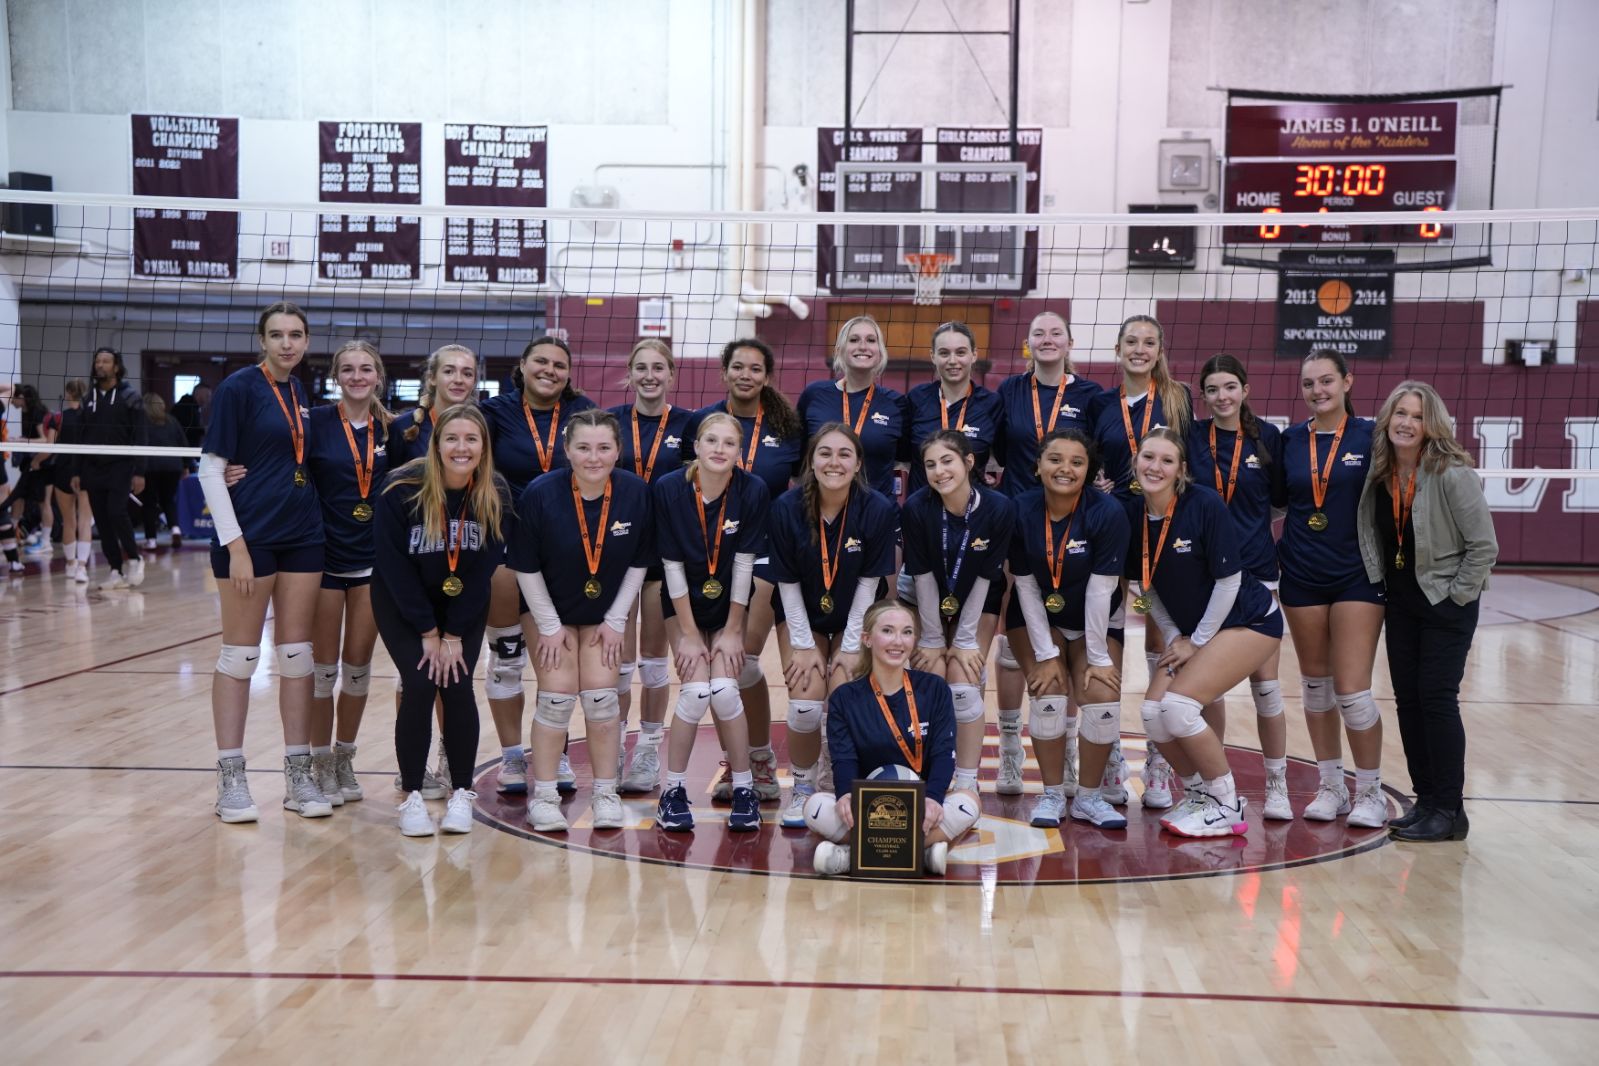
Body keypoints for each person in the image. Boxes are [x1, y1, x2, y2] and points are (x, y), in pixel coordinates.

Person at [197, 302, 329, 823]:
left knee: (298, 656)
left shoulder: (299, 390)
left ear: (306, 340)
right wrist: (236, 547)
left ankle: (298, 776)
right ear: (262, 340)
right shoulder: (238, 388)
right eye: (276, 335)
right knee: (240, 657)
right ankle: (231, 777)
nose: (287, 344)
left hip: (303, 535)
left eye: (296, 335)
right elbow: (210, 469)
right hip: (250, 540)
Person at [1359, 382, 1497, 842]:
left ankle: (1450, 810)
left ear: (1431, 423)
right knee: (1409, 701)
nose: (1406, 423)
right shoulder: (1380, 473)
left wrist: (1457, 596)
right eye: (1400, 413)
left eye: (1416, 416)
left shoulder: (1452, 473)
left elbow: (1484, 547)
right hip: (1400, 600)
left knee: (1437, 700)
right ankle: (1426, 802)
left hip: (1445, 603)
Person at [1127, 428, 1283, 837]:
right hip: (1192, 631)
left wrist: (1195, 642)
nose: (1154, 467)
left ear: (1180, 471)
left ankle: (1227, 802)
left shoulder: (1203, 504)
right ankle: (1199, 794)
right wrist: (1175, 633)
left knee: (1178, 708)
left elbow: (1229, 582)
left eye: (1166, 460)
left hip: (1249, 620)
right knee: (1152, 714)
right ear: (1135, 462)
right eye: (1148, 457)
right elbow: (1142, 589)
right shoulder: (1132, 512)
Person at [512, 410, 654, 832]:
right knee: (556, 697)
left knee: (602, 698)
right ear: (568, 451)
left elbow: (640, 562)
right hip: (547, 608)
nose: (594, 457)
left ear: (617, 451)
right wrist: (550, 626)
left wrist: (617, 620)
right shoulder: (540, 493)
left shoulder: (635, 492)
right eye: (584, 448)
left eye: (604, 448)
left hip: (603, 615)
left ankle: (606, 792)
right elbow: (525, 567)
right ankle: (544, 796)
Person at [374, 403, 509, 836]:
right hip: (402, 602)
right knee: (418, 683)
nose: (461, 447)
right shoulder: (400, 490)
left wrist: (452, 633)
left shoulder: (495, 494)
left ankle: (461, 794)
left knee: (456, 682)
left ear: (484, 447)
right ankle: (412, 795)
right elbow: (394, 568)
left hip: (463, 605)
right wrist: (428, 632)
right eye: (452, 438)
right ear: (436, 444)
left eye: (472, 439)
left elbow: (481, 571)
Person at [688, 338, 804, 804]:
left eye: (756, 368)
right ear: (724, 371)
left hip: (778, 558)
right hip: (723, 557)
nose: (746, 375)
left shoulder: (789, 427)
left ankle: (814, 771)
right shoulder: (706, 424)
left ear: (767, 376)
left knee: (803, 674)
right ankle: (752, 760)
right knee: (737, 666)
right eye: (738, 367)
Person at [992, 311, 1103, 796]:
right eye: (1038, 332)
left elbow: (1104, 455)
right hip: (1020, 523)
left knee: (1065, 640)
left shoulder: (1091, 396)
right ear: (1027, 343)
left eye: (1056, 332)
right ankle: (1012, 748)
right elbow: (993, 453)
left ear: (1070, 341)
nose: (1047, 339)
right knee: (1014, 641)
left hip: (1074, 525)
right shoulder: (1009, 393)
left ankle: (1073, 745)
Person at [1275, 350, 1388, 828]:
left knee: (1353, 692)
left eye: (1326, 381)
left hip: (1357, 574)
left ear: (1347, 381)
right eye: (1308, 384)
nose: (1317, 391)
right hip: (1300, 572)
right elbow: (1275, 503)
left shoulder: (1372, 435)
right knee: (1315, 689)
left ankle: (1371, 792)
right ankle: (1331, 786)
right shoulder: (1289, 441)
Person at [767, 423, 899, 827]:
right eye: (825, 453)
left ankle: (840, 781)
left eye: (845, 454)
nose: (834, 462)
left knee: (844, 691)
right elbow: (787, 585)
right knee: (806, 698)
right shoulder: (787, 507)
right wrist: (804, 645)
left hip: (854, 614)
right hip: (801, 611)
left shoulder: (876, 508)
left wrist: (851, 646)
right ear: (811, 460)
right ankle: (804, 786)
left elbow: (868, 585)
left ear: (858, 463)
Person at [480, 335, 596, 795]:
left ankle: (557, 752)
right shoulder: (495, 413)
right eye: (541, 362)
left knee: (556, 660)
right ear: (522, 365)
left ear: (569, 373)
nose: (550, 370)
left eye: (559, 365)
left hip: (564, 551)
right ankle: (512, 756)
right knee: (507, 659)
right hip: (506, 546)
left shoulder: (582, 411)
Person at [1089, 314, 1192, 808]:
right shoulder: (1100, 404)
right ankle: (1108, 757)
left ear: (1160, 348)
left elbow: (1190, 463)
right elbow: (1088, 462)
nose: (1139, 349)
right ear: (1117, 347)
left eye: (1149, 341)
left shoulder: (1178, 400)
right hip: (1113, 527)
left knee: (1159, 637)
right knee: (1109, 637)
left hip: (1161, 525)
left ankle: (1158, 764)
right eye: (1131, 340)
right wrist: (1096, 485)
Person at [1005, 429, 1131, 829]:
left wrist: (1097, 659)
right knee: (1048, 691)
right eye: (1055, 459)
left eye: (1077, 462)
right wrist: (1045, 655)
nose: (1065, 468)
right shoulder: (1020, 510)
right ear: (1038, 465)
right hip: (1037, 617)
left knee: (1101, 693)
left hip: (1095, 618)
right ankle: (1053, 793)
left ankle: (1089, 799)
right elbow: (1024, 586)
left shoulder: (1107, 511)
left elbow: (1102, 590)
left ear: (1089, 470)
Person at [653, 412, 770, 833]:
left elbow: (743, 565)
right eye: (711, 441)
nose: (720, 449)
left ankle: (743, 788)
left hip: (730, 605)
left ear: (740, 452)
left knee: (722, 690)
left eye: (729, 443)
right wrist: (686, 634)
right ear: (697, 447)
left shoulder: (753, 490)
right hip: (681, 603)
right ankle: (673, 791)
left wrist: (735, 629)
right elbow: (671, 566)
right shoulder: (669, 489)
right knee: (695, 690)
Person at [1187, 355, 1291, 820]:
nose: (1222, 396)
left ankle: (1277, 784)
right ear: (1204, 397)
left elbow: (1278, 505)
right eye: (1212, 389)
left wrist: (1243, 535)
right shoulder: (1192, 438)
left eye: (1230, 387)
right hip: (1207, 579)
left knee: (1266, 688)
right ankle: (1217, 785)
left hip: (1258, 574)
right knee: (1209, 690)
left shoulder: (1268, 438)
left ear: (1245, 390)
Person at [803, 600, 979, 877]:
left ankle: (853, 856)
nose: (898, 641)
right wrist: (847, 796)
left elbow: (943, 755)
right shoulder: (844, 698)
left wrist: (933, 798)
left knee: (969, 802)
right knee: (814, 808)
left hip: (919, 808)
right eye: (888, 630)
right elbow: (844, 760)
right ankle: (920, 854)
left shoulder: (934, 689)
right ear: (867, 639)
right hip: (867, 808)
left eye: (907, 632)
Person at [901, 431, 1015, 798]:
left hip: (977, 599)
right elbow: (920, 578)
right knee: (930, 678)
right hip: (924, 599)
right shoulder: (917, 507)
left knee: (964, 682)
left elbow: (986, 577)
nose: (939, 471)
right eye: (930, 465)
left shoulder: (998, 508)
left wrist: (964, 641)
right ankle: (928, 774)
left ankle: (966, 781)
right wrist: (933, 640)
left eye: (947, 461)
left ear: (969, 462)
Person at [306, 341, 392, 808]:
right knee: (323, 672)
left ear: (377, 375)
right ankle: (319, 761)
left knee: (357, 671)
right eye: (348, 369)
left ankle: (344, 757)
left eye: (365, 369)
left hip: (372, 562)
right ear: (336, 376)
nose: (357, 376)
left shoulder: (394, 429)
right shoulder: (315, 422)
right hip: (321, 558)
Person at [606, 339, 695, 791]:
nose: (649, 375)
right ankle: (617, 749)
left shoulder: (688, 425)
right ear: (630, 372)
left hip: (665, 552)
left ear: (672, 374)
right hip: (615, 550)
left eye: (658, 368)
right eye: (641, 367)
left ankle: (647, 752)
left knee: (654, 663)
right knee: (618, 661)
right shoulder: (612, 422)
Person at [797, 315, 907, 497]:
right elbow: (799, 465)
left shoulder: (896, 403)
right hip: (820, 511)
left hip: (877, 515)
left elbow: (903, 462)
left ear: (880, 352)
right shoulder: (814, 395)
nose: (863, 346)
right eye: (854, 340)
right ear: (839, 350)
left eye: (871, 340)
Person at [903, 321, 1005, 495]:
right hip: (922, 510)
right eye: (944, 353)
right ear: (933, 356)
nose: (952, 361)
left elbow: (1003, 457)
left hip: (972, 510)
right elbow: (903, 455)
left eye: (960, 352)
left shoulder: (991, 403)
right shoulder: (916, 398)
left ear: (973, 355)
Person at [80, 347, 146, 590]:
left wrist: (140, 471)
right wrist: (77, 471)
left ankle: (135, 558)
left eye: (105, 361)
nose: (100, 365)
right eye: (97, 361)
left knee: (116, 511)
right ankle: (115, 569)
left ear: (116, 367)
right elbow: (81, 436)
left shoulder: (130, 396)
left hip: (121, 464)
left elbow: (140, 435)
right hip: (92, 467)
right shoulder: (89, 398)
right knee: (103, 520)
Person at [388, 344, 479, 466]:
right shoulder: (404, 426)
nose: (458, 380)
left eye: (467, 374)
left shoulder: (483, 426)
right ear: (432, 378)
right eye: (448, 371)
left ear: (473, 382)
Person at [52, 380, 94, 582]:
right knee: (85, 521)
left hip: (63, 469)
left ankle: (70, 565)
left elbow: (51, 445)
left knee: (69, 520)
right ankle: (82, 568)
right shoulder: (91, 418)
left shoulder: (58, 418)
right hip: (86, 469)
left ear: (68, 393)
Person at [136, 393, 188, 550]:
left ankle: (151, 540)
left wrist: (136, 470)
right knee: (168, 500)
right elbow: (183, 443)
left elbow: (139, 444)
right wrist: (186, 466)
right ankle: (175, 529)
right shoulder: (172, 421)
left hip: (150, 466)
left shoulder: (142, 422)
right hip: (173, 466)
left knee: (149, 503)